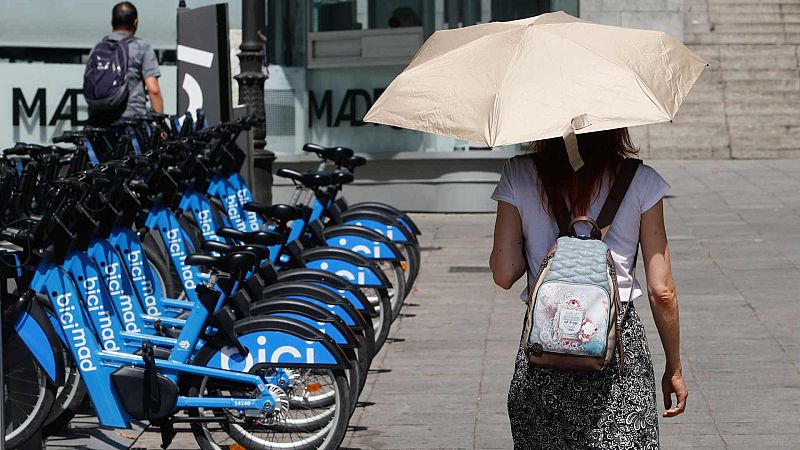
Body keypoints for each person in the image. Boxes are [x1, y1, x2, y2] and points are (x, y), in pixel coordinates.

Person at [489, 129, 686, 448]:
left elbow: (504, 273)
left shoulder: (519, 173)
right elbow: (661, 290)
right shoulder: (641, 179)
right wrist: (674, 366)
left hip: (545, 348)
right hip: (617, 346)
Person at [87, 1, 162, 126]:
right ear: (135, 23)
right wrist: (159, 125)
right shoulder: (141, 47)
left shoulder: (98, 47)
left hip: (98, 122)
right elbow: (153, 90)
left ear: (111, 21)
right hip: (131, 121)